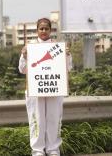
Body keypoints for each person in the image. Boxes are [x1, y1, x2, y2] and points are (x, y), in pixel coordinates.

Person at [18, 18, 72, 156]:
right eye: (41, 28)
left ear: (50, 30)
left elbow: (68, 68)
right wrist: (24, 56)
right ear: (37, 30)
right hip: (35, 89)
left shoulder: (57, 47)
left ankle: (53, 149)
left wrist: (67, 55)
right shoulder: (30, 46)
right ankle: (37, 151)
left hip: (54, 87)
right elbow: (22, 70)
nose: (43, 31)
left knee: (54, 118)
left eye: (46, 28)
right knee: (37, 120)